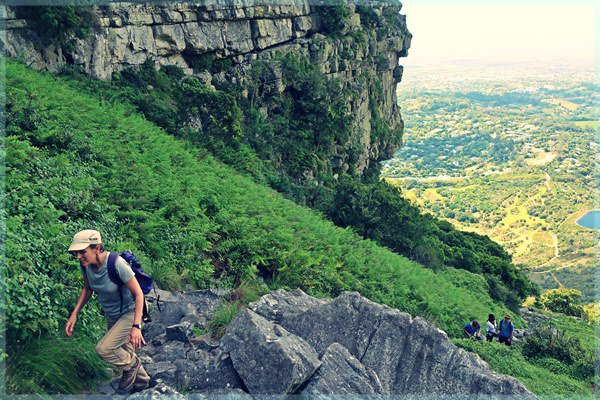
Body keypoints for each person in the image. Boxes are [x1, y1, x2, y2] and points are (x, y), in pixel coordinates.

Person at [65, 230, 150, 394]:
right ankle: (143, 383)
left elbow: (139, 294)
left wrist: (136, 327)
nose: (78, 256)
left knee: (104, 349)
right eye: (76, 252)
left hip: (130, 311)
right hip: (112, 315)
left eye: (82, 251)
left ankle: (132, 365)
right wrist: (74, 314)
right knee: (124, 349)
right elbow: (87, 288)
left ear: (96, 248)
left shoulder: (116, 264)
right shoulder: (86, 266)